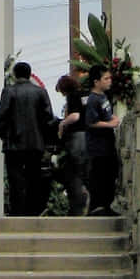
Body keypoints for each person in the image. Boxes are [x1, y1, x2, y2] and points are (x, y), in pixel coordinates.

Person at [0, 62, 57, 216]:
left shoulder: (9, 91)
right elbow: (48, 118)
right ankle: (33, 211)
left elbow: (2, 116)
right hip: (35, 143)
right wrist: (45, 139)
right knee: (34, 178)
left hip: (13, 143)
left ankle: (17, 212)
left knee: (15, 180)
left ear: (15, 75)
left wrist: (4, 135)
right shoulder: (40, 92)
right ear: (30, 74)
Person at [83, 68, 120, 214]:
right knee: (100, 176)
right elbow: (91, 122)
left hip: (108, 143)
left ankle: (108, 204)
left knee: (110, 175)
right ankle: (98, 206)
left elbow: (106, 115)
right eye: (105, 79)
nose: (109, 81)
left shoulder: (104, 97)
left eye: (109, 78)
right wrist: (110, 124)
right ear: (96, 82)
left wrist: (113, 119)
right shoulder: (92, 99)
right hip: (98, 146)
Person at [54, 75, 89, 215]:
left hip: (76, 138)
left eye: (62, 92)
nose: (62, 95)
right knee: (83, 170)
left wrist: (62, 124)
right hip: (87, 137)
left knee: (74, 172)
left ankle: (78, 204)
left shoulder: (72, 96)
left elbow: (75, 116)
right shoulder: (84, 95)